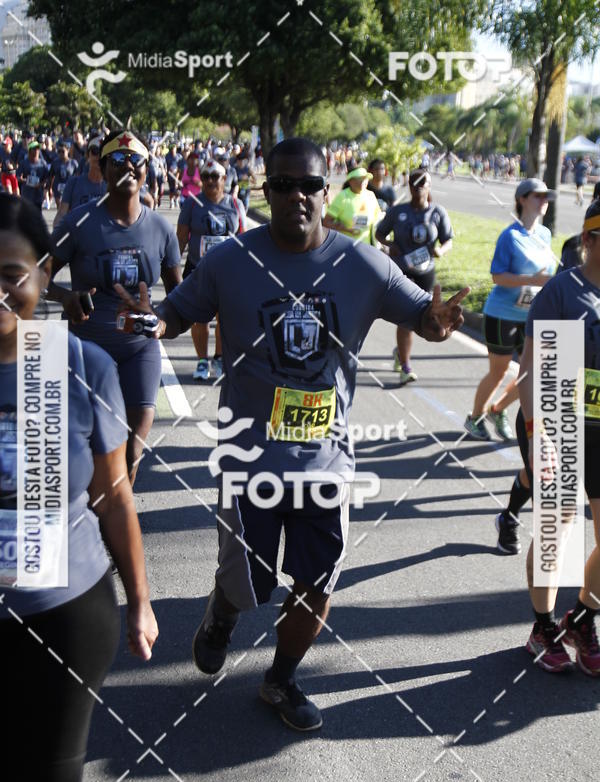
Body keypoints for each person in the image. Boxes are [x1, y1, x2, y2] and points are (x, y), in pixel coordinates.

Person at [114, 137, 468, 732]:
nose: (296, 196)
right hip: (248, 456)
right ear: (266, 190)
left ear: (327, 192)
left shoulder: (364, 264)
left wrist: (436, 324)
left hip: (325, 461)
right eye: (283, 185)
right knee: (247, 581)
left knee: (316, 583)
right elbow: (180, 310)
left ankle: (280, 678)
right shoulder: (231, 260)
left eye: (308, 185)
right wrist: (157, 321)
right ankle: (223, 612)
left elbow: (423, 316)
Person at [0, 193, 158, 782]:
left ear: (44, 273)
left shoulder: (73, 364)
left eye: (11, 274)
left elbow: (113, 496)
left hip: (62, 616)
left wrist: (141, 602)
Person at [48, 130, 181, 483]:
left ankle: (118, 505)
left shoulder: (160, 229)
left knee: (132, 450)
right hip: (87, 349)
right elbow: (34, 277)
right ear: (103, 167)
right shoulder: (78, 222)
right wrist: (64, 297)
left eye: (136, 159)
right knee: (90, 449)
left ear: (147, 168)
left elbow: (179, 297)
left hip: (139, 350)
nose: (128, 166)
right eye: (118, 160)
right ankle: (92, 509)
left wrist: (161, 319)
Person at [518, 199, 600, 674]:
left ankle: (583, 618)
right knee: (558, 526)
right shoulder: (565, 293)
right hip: (560, 422)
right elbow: (532, 373)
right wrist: (539, 436)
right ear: (588, 240)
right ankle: (543, 626)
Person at [464, 178, 557, 441]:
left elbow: (547, 274)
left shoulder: (544, 234)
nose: (544, 201)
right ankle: (474, 417)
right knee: (499, 372)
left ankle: (497, 409)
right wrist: (533, 281)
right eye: (538, 196)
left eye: (546, 197)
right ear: (521, 199)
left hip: (532, 315)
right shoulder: (510, 236)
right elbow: (497, 276)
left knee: (535, 372)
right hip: (502, 314)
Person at [375, 168, 453, 385]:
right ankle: (406, 366)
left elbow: (448, 240)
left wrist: (441, 250)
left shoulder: (437, 212)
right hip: (402, 271)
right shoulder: (397, 212)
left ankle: (400, 353)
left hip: (426, 272)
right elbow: (379, 233)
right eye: (414, 183)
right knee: (407, 317)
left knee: (425, 319)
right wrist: (390, 245)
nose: (418, 187)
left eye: (422, 183)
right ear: (408, 186)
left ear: (429, 186)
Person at [176, 158, 246, 381]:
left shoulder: (235, 204)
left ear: (224, 179)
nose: (210, 181)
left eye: (215, 176)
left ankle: (218, 357)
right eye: (205, 177)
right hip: (198, 270)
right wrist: (173, 268)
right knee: (200, 319)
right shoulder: (192, 203)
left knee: (224, 318)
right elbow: (181, 238)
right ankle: (202, 361)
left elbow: (245, 241)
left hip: (228, 272)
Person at [53, 136, 105, 226]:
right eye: (95, 151)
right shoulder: (73, 183)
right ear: (88, 156)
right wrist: (57, 231)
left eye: (103, 153)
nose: (98, 157)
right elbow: (61, 214)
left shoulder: (113, 186)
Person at [322, 166, 382, 244]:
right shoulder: (342, 197)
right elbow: (326, 223)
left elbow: (378, 217)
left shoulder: (370, 195)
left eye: (365, 178)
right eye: (360, 178)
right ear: (351, 180)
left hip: (367, 246)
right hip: (346, 246)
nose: (363, 181)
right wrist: (346, 229)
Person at [16, 141, 50, 211]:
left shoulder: (43, 163)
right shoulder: (23, 163)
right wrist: (23, 180)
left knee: (37, 215)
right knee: (26, 215)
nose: (37, 150)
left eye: (38, 148)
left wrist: (40, 184)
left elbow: (47, 179)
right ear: (30, 150)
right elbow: (18, 176)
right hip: (26, 195)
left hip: (38, 196)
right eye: (35, 148)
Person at [48, 142, 77, 211]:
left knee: (68, 209)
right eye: (59, 151)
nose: (61, 153)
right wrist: (50, 188)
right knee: (60, 209)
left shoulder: (73, 163)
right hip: (57, 189)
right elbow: (51, 176)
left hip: (69, 189)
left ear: (68, 150)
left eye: (63, 151)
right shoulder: (55, 162)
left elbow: (78, 177)